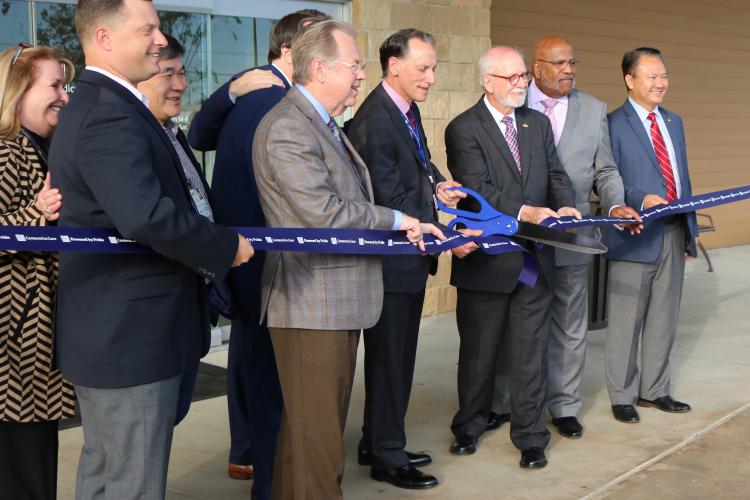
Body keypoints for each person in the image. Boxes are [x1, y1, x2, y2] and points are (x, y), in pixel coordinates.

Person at [48, 1, 254, 498]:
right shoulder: (108, 114)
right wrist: (225, 247)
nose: (160, 39)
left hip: (119, 332)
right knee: (131, 483)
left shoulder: (108, 107)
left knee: (107, 474)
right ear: (103, 37)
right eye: (148, 29)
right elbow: (144, 215)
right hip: (130, 339)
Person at [252, 20, 444, 500]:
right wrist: (399, 219)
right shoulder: (288, 128)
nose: (362, 74)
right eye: (354, 65)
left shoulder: (320, 123)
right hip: (310, 304)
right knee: (317, 446)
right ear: (319, 68)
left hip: (329, 303)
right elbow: (322, 213)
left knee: (308, 440)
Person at [187, 10, 330, 494]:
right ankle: (260, 466)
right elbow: (198, 136)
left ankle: (247, 452)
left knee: (251, 360)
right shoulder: (263, 97)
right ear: (290, 50)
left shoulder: (283, 98)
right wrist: (228, 91)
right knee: (264, 367)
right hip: (261, 254)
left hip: (250, 252)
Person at [491, 36, 642, 439]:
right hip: (521, 238)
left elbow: (605, 170)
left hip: (574, 235)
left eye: (572, 63)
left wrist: (613, 207)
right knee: (516, 321)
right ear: (536, 68)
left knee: (570, 325)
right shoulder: (513, 103)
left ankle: (564, 405)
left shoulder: (593, 111)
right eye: (559, 64)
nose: (569, 70)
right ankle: (504, 401)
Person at [445, 46, 578, 469]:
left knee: (529, 353)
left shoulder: (536, 124)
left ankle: (531, 436)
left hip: (534, 260)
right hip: (486, 262)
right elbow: (478, 188)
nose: (523, 83)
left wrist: (567, 204)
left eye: (524, 76)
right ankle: (469, 426)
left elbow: (555, 174)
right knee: (479, 353)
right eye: (514, 77)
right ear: (488, 81)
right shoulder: (463, 128)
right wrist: (528, 212)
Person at [345, 28, 463, 490]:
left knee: (395, 361)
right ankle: (387, 456)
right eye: (423, 68)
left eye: (433, 68)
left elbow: (419, 165)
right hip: (392, 264)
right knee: (391, 363)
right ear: (394, 65)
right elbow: (389, 197)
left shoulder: (404, 111)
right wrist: (449, 229)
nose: (431, 77)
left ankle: (378, 439)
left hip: (407, 263)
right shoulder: (375, 120)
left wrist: (439, 183)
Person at [604, 47, 697, 424]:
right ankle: (622, 395)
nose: (661, 83)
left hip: (673, 230)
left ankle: (655, 391)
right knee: (626, 321)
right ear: (630, 80)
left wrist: (690, 231)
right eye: (652, 77)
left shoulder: (674, 121)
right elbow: (606, 178)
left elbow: (682, 177)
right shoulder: (612, 123)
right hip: (635, 231)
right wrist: (639, 198)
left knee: (664, 317)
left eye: (664, 76)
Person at [0, 43, 75, 500]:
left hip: (32, 347)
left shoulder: (40, 148)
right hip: (14, 351)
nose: (64, 95)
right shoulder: (7, 152)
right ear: (19, 91)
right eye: (54, 85)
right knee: (23, 471)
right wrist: (35, 211)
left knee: (35, 463)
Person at [136, 34, 214, 429]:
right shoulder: (134, 137)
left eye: (183, 73)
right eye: (168, 74)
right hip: (154, 322)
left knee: (170, 419)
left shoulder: (173, 132)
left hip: (187, 306)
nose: (180, 84)